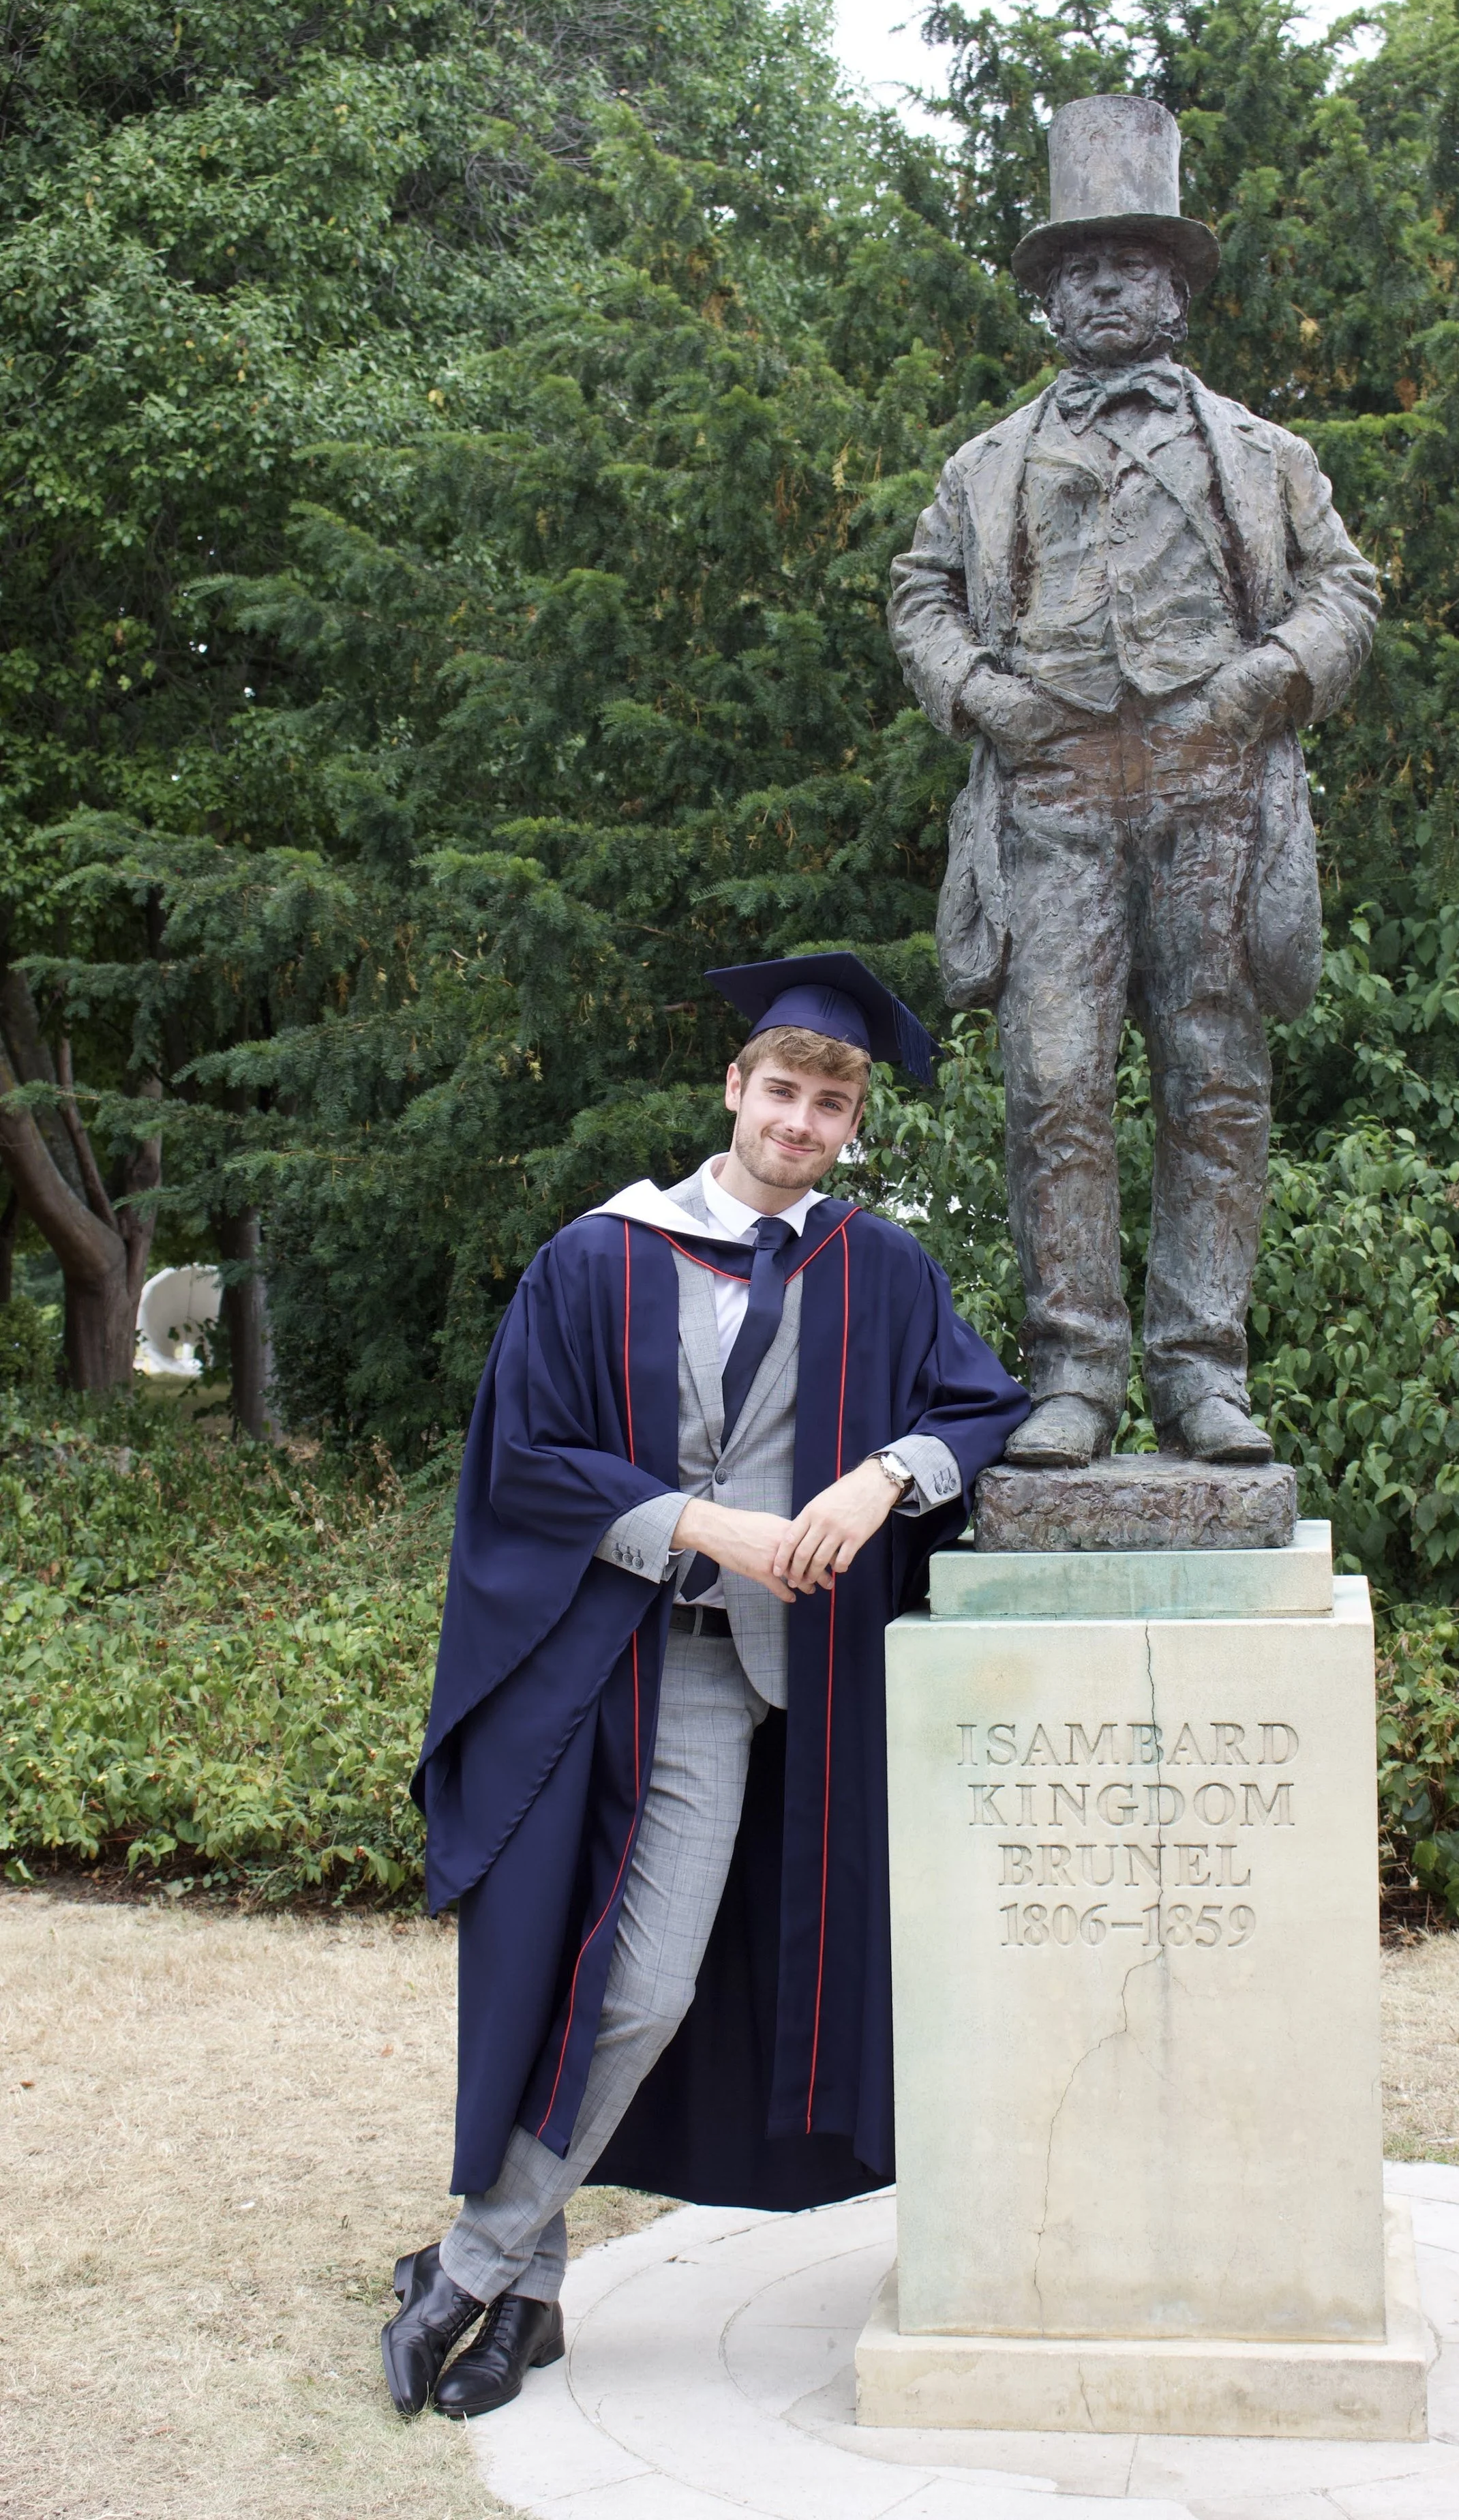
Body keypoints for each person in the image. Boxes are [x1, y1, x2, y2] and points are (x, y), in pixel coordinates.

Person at [382, 953, 1027, 2420]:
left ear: (852, 1125)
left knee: (656, 1985)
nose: (801, 1121)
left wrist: (886, 1476)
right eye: (782, 1091)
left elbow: (981, 1405)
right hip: (611, 1670)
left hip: (789, 1688)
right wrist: (696, 1521)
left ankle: (487, 2279)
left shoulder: (880, 1269)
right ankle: (502, 2274)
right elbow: (529, 1462)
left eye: (830, 1103)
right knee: (612, 1976)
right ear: (732, 1090)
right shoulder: (597, 1257)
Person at [889, 95, 1381, 1470]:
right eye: (1076, 268)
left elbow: (1344, 590)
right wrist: (980, 694)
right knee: (1052, 1085)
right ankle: (1072, 1379)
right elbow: (918, 594)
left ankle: (1202, 1373)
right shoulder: (981, 467)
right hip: (1048, 802)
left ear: (1175, 288)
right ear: (1049, 300)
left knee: (1213, 1083)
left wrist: (1265, 677)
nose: (1103, 284)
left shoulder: (1266, 456)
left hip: (1212, 792)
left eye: (1129, 262)